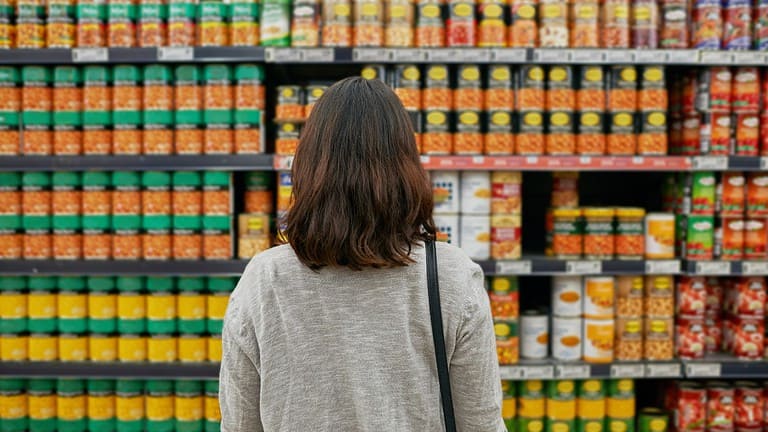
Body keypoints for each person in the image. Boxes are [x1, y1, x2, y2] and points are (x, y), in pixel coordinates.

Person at [219, 76, 505, 432]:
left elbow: (239, 424)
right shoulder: (450, 275)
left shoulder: (265, 278)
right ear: (407, 166)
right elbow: (482, 422)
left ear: (308, 166)